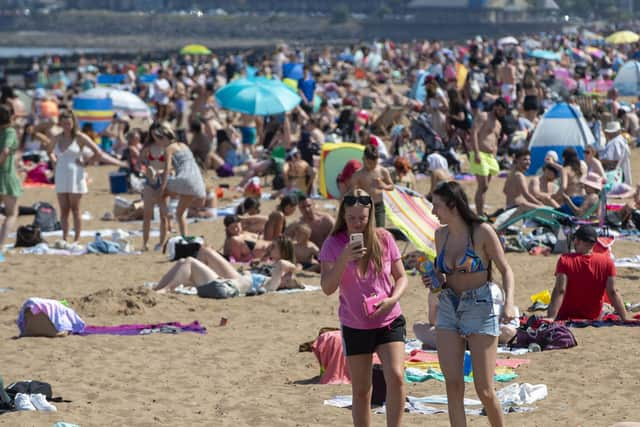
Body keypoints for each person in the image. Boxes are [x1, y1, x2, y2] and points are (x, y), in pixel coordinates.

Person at [427, 181, 515, 427]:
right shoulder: (440, 235)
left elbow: (505, 269)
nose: (433, 212)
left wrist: (508, 303)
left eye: (437, 206)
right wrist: (433, 279)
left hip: (480, 305)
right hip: (448, 306)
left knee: (484, 389)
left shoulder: (481, 232)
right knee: (452, 385)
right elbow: (441, 277)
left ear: (453, 205)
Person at [319, 188, 408, 427]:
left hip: (388, 318)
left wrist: (392, 299)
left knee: (397, 377)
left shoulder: (384, 238)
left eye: (362, 218)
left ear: (370, 217)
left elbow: (401, 277)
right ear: (343, 217)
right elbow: (327, 287)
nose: (357, 223)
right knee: (361, 390)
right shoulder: (333, 244)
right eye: (352, 219)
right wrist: (344, 258)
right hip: (355, 325)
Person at [46, 111, 117, 244]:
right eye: (64, 123)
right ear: (60, 123)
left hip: (75, 174)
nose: (66, 126)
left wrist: (86, 162)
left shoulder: (79, 137)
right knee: (64, 209)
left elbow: (98, 152)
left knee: (75, 208)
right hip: (61, 174)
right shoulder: (56, 137)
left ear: (73, 123)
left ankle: (77, 238)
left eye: (69, 123)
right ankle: (65, 238)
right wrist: (54, 161)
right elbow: (49, 151)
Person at [153, 238, 301, 295]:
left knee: (191, 261)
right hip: (230, 282)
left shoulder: (272, 282)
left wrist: (292, 270)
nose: (270, 247)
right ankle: (158, 289)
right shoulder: (269, 275)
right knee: (182, 262)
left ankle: (166, 289)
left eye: (274, 246)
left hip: (230, 283)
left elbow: (285, 266)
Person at [546, 225, 629, 322]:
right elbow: (613, 292)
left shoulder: (565, 260)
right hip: (593, 315)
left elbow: (560, 290)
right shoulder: (607, 262)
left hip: (567, 314)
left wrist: (551, 317)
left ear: (577, 241)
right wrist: (625, 318)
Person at [158, 122, 207, 238]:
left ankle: (168, 219)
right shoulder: (185, 146)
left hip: (185, 180)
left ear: (164, 139)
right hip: (197, 182)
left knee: (160, 192)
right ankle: (185, 237)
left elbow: (167, 170)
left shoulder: (169, 148)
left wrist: (162, 188)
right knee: (180, 213)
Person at [469, 98, 504, 217]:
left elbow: (495, 141)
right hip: (480, 154)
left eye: (503, 110)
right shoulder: (483, 116)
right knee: (482, 185)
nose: (501, 112)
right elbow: (474, 132)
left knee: (486, 187)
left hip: (490, 157)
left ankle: (481, 212)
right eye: (499, 109)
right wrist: (476, 152)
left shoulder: (498, 124)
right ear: (495, 106)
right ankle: (479, 213)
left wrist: (495, 155)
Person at [140, 123, 170, 251]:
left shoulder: (168, 147)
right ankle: (145, 243)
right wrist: (145, 168)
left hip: (163, 182)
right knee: (147, 214)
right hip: (150, 182)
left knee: (164, 215)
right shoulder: (148, 148)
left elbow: (173, 166)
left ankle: (161, 243)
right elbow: (140, 162)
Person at [349, 144, 394, 227]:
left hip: (379, 206)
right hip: (364, 206)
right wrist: (356, 194)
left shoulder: (382, 171)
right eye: (369, 163)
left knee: (380, 229)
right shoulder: (358, 174)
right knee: (366, 229)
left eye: (375, 163)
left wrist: (383, 186)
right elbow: (352, 191)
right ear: (364, 159)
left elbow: (391, 186)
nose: (372, 165)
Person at [0, 105, 21, 260]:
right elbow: (6, 151)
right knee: (12, 213)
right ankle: (1, 245)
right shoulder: (9, 131)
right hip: (6, 175)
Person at [502, 149, 544, 215]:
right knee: (544, 210)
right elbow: (526, 195)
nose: (528, 162)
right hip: (516, 208)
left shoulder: (512, 173)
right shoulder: (520, 176)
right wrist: (540, 204)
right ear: (517, 160)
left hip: (509, 206)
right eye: (525, 159)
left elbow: (505, 190)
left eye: (529, 160)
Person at [600, 120, 632, 186]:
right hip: (621, 172)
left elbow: (610, 159)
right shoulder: (622, 140)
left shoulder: (614, 142)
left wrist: (599, 159)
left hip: (614, 175)